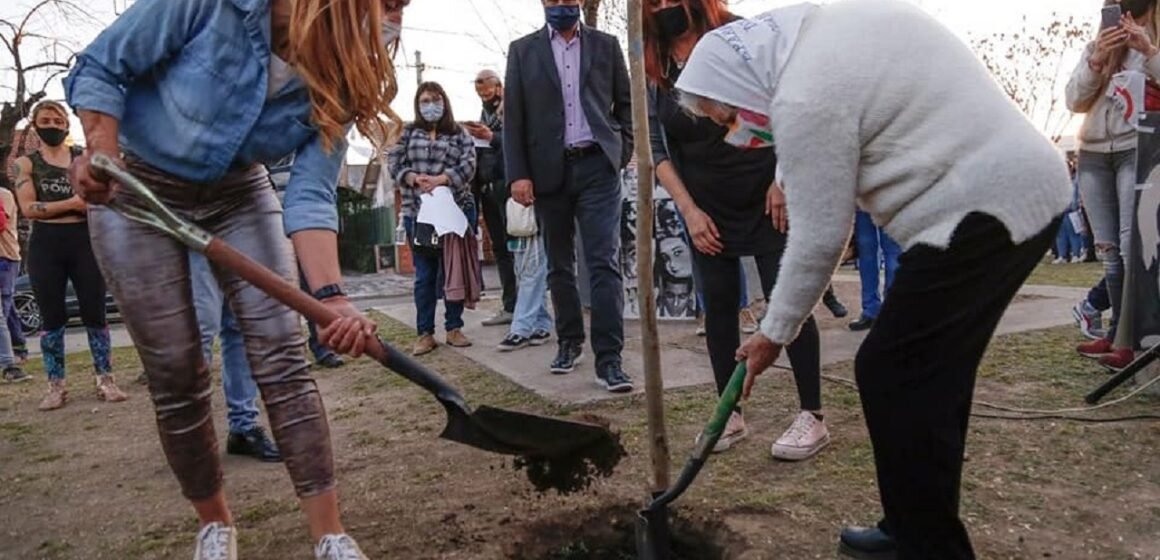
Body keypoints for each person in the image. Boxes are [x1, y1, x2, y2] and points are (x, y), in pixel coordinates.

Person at [675, 2, 1069, 558]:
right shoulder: (816, 41)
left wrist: (773, 332)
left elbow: (819, 235)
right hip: (1005, 194)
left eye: (728, 117)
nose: (735, 133)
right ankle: (912, 527)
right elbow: (823, 140)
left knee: (890, 368)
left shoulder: (805, 94)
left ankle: (925, 542)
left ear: (742, 81)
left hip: (990, 209)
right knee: (929, 376)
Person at [64, 0, 409, 557]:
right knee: (176, 368)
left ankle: (330, 535)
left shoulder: (344, 69)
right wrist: (101, 149)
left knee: (283, 356)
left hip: (238, 192)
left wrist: (333, 297)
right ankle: (216, 523)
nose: (395, 17)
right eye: (391, 3)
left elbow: (311, 192)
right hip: (137, 186)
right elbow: (104, 64)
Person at [645, 0, 828, 459]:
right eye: (654, 0)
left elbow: (791, 100)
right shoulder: (655, 62)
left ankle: (813, 415)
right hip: (706, 206)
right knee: (720, 306)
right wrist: (688, 210)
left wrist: (782, 178)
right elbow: (655, 149)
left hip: (767, 194)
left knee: (788, 298)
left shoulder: (741, 34)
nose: (665, 5)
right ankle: (729, 411)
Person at [505, 0, 635, 392]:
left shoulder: (606, 45)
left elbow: (626, 104)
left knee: (603, 263)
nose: (561, 4)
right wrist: (519, 175)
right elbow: (513, 117)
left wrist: (621, 150)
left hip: (598, 167)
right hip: (548, 173)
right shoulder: (523, 51)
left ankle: (609, 359)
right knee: (558, 265)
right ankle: (569, 342)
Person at [1067, 0, 1160, 370]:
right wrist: (1095, 62)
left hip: (1135, 149)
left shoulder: (1150, 40)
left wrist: (1148, 51)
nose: (1120, 16)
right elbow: (1073, 99)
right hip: (1092, 151)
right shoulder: (1097, 48)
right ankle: (1117, 334)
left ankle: (1131, 339)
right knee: (1108, 251)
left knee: (1128, 243)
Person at [12, 100, 122, 409]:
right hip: (46, 244)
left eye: (58, 121)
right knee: (52, 317)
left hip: (85, 240)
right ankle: (56, 386)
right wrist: (73, 204)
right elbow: (29, 209)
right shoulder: (26, 163)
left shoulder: (82, 158)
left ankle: (105, 379)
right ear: (35, 124)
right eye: (45, 120)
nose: (52, 125)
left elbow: (106, 195)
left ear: (66, 125)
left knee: (95, 312)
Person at [388, 81, 477, 357]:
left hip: (454, 212)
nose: (430, 105)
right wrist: (414, 178)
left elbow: (470, 164)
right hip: (419, 214)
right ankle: (424, 333)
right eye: (425, 101)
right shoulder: (407, 132)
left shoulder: (459, 133)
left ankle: (454, 327)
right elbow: (394, 164)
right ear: (417, 104)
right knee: (424, 276)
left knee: (453, 271)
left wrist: (442, 179)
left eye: (435, 100)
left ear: (444, 101)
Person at [190, 252, 281, 462]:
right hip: (192, 234)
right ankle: (192, 434)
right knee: (199, 329)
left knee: (240, 327)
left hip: (235, 235)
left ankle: (243, 428)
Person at [465, 69, 518, 328]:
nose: (483, 95)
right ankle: (510, 304)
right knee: (499, 248)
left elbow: (517, 142)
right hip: (487, 188)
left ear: (498, 87)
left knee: (515, 246)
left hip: (507, 187)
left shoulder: (511, 108)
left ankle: (523, 304)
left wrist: (491, 137)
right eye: (479, 92)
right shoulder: (485, 114)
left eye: (486, 89)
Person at [850, 209, 902, 331]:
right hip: (865, 199)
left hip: (884, 198)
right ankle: (874, 310)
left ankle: (885, 309)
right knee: (869, 252)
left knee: (888, 252)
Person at [0, 185, 28, 383]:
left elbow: (1, 223)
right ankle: (18, 348)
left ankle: (10, 362)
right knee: (5, 310)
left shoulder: (3, 195)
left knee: (3, 307)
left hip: (5, 258)